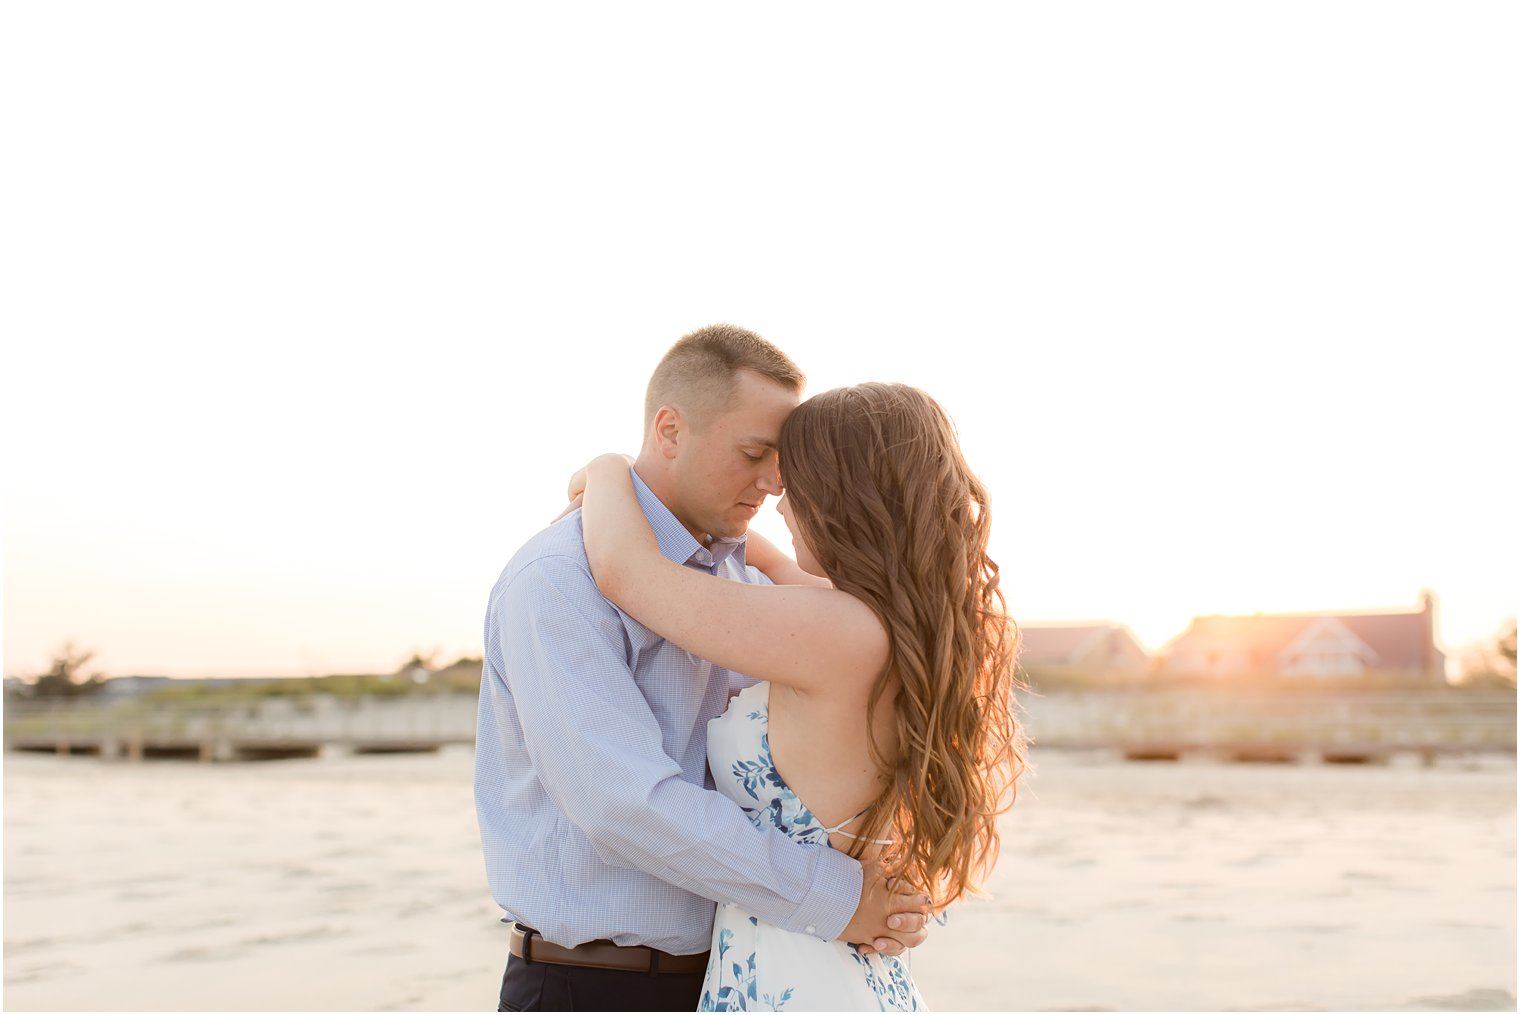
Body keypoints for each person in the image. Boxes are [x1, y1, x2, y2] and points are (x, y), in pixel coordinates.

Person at [475, 325, 934, 1013]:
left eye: (783, 459)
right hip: (596, 985)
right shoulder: (559, 578)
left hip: (739, 975)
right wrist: (839, 897)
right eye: (754, 452)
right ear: (669, 429)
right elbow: (622, 803)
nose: (775, 481)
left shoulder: (745, 579)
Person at [575, 380, 1026, 1010]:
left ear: (844, 498)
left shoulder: (833, 631)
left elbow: (628, 573)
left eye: (795, 485)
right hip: (844, 976)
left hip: (798, 985)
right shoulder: (885, 627)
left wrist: (607, 470)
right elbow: (780, 569)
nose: (778, 505)